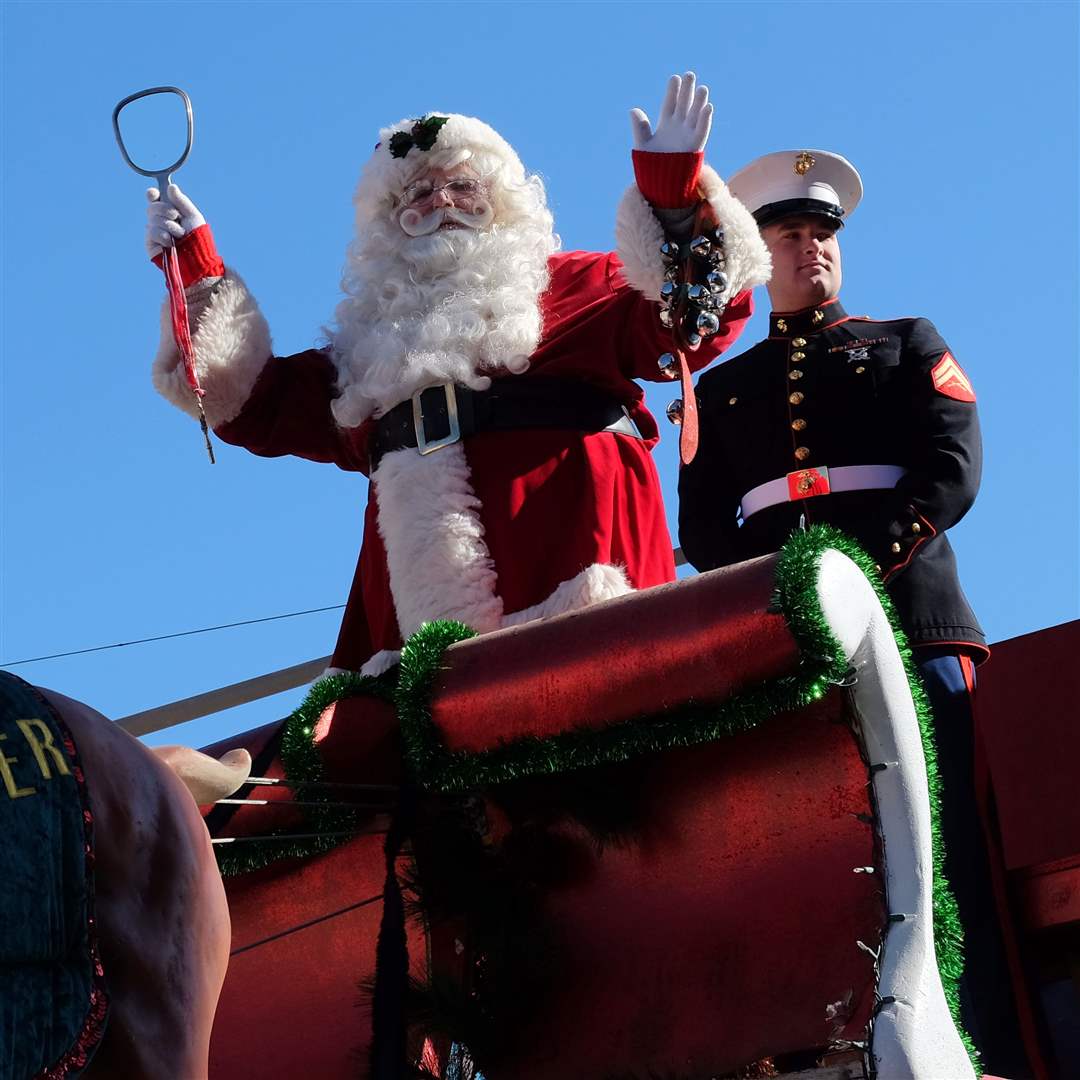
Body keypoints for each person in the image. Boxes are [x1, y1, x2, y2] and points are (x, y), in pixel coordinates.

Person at [143, 73, 769, 676]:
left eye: (463, 186)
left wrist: (674, 201)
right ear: (389, 225)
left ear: (501, 205)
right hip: (419, 621)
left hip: (578, 558)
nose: (440, 202)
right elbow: (250, 402)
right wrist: (193, 266)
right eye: (415, 195)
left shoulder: (581, 283)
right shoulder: (367, 347)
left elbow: (686, 321)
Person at [677, 149, 1030, 1076]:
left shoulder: (906, 341)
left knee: (946, 853)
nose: (812, 250)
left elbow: (952, 467)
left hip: (911, 620)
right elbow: (705, 531)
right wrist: (784, 606)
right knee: (810, 854)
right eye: (788, 235)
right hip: (788, 650)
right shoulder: (720, 390)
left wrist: (859, 569)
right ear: (758, 255)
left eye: (823, 234)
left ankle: (983, 1050)